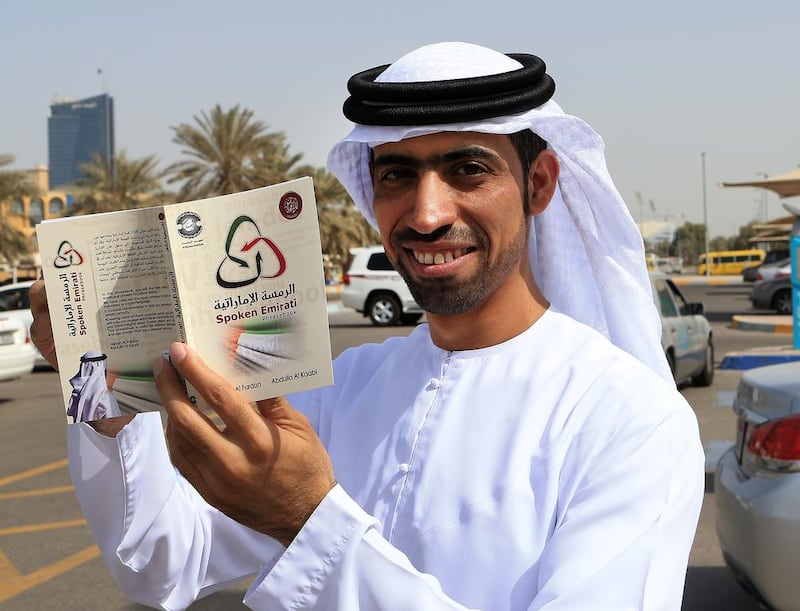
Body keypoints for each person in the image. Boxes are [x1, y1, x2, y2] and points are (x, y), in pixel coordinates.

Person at [31, 42, 704, 610]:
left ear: (540, 184)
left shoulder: (629, 420)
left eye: (468, 169)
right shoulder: (339, 387)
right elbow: (163, 560)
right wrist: (109, 406)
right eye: (397, 175)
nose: (427, 212)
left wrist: (307, 517)